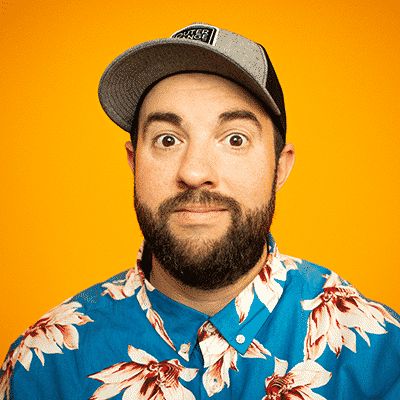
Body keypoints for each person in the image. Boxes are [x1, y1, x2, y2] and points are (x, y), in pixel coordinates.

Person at [1, 22, 399, 400]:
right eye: (168, 139)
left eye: (235, 139)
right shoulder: (45, 364)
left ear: (280, 167)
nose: (194, 172)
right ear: (133, 161)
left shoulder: (379, 356)